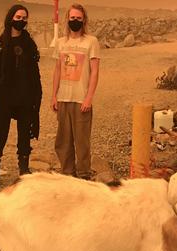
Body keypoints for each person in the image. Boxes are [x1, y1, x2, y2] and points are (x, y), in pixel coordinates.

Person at [0, 4, 42, 187]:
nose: (21, 21)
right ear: (11, 18)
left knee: (24, 133)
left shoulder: (29, 44)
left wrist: (36, 96)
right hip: (4, 97)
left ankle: (24, 169)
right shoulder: (1, 43)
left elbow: (35, 72)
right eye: (18, 17)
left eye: (24, 18)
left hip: (25, 96)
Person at [51, 3, 100, 180]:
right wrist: (54, 96)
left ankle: (84, 174)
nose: (75, 21)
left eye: (78, 18)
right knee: (63, 140)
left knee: (82, 142)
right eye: (72, 18)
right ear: (67, 19)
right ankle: (67, 173)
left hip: (81, 100)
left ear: (84, 20)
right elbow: (57, 70)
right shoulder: (61, 43)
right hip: (64, 98)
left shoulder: (91, 42)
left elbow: (94, 71)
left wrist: (89, 98)